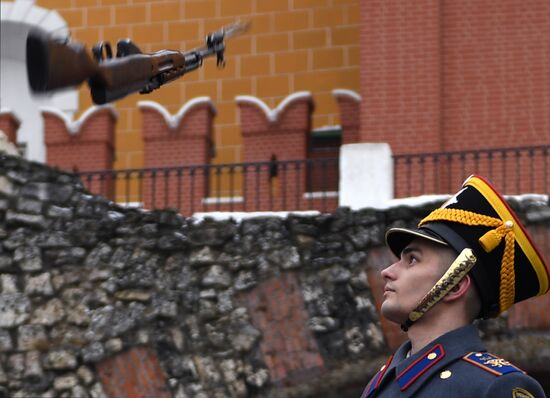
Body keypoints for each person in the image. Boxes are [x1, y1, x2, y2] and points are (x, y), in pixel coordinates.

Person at [361, 175, 549, 398]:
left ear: (455, 286)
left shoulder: (495, 387)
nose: (387, 272)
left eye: (412, 260)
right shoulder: (379, 385)